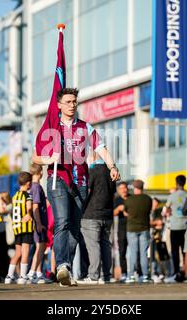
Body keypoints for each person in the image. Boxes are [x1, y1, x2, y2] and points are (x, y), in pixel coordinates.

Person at [33, 87, 120, 287]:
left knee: (74, 226)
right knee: (62, 221)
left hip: (80, 182)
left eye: (74, 102)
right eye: (68, 102)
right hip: (58, 179)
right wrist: (49, 158)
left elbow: (100, 148)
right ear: (59, 105)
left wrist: (112, 166)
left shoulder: (85, 127)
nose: (72, 105)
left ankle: (67, 270)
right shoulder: (51, 128)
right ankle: (62, 265)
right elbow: (35, 156)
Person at [78, 155, 116, 285]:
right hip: (107, 214)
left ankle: (93, 276)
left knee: (93, 246)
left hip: (91, 213)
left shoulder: (91, 172)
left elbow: (86, 191)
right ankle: (106, 276)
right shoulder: (112, 172)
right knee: (106, 245)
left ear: (93, 156)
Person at [5, 172, 34, 284]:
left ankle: (9, 275)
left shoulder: (15, 196)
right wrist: (29, 214)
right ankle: (23, 276)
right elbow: (29, 206)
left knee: (17, 253)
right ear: (28, 183)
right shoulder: (28, 195)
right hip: (26, 227)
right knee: (25, 251)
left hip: (16, 228)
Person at [124, 180, 153, 283]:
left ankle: (131, 276)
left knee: (133, 253)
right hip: (144, 228)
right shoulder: (148, 199)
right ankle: (145, 276)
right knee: (143, 253)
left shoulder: (129, 200)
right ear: (142, 187)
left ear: (134, 187)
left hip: (131, 229)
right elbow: (149, 210)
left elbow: (125, 211)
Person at [27, 164, 52, 284]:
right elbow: (35, 206)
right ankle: (32, 273)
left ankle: (38, 274)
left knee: (39, 247)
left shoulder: (31, 187)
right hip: (40, 222)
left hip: (38, 222)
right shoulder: (37, 187)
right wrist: (39, 223)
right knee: (40, 248)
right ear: (41, 172)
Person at [163, 175, 187, 278]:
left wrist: (169, 213)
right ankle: (186, 272)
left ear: (176, 183)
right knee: (185, 250)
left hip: (174, 226)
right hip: (185, 226)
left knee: (174, 251)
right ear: (185, 183)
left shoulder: (172, 196)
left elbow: (166, 209)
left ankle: (176, 272)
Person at [113, 182, 130, 282]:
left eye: (125, 188)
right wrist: (119, 209)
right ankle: (124, 273)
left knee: (135, 251)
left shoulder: (132, 198)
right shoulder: (117, 200)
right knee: (122, 251)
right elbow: (113, 213)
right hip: (122, 229)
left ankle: (137, 272)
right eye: (122, 188)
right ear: (119, 190)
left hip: (133, 228)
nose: (124, 190)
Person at [0, 192, 11, 282]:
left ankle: (5, 273)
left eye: (4, 198)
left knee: (5, 255)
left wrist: (0, 199)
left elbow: (1, 210)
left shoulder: (9, 206)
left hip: (6, 233)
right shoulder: (0, 205)